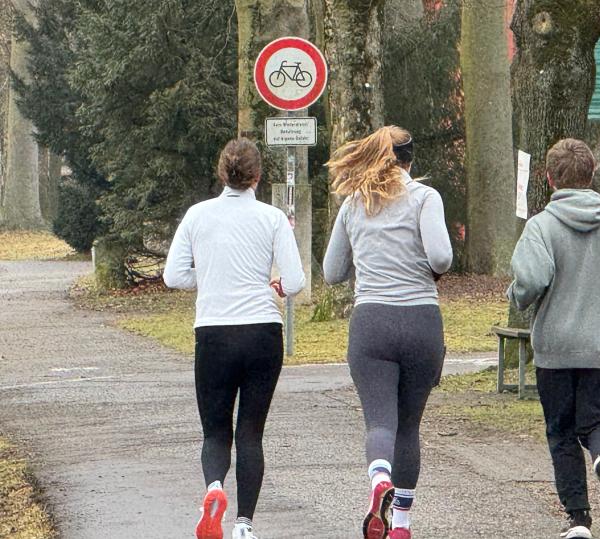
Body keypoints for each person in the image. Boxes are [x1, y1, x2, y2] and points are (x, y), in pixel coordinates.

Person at [508, 138, 600, 539]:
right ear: (592, 176)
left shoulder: (541, 226)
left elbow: (530, 280)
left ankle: (578, 520)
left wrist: (519, 297)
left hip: (554, 352)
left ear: (549, 178)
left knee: (562, 432)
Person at [164, 138, 306, 539]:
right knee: (251, 432)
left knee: (215, 430)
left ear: (221, 173)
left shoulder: (197, 216)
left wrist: (208, 278)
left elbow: (173, 276)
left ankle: (213, 490)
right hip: (263, 331)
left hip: (213, 331)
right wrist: (274, 286)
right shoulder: (272, 218)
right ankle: (245, 524)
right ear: (258, 177)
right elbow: (294, 281)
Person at [323, 126, 452, 539]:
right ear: (410, 159)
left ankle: (379, 478)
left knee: (381, 422)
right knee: (409, 426)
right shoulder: (425, 198)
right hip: (420, 322)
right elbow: (442, 257)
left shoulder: (353, 205)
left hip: (371, 323)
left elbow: (331, 272)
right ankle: (401, 522)